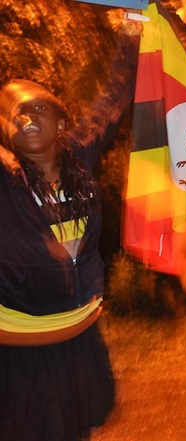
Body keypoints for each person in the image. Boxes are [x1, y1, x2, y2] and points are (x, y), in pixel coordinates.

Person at [0, 20, 139, 441]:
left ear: (61, 123)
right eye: (12, 111)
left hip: (80, 334)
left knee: (74, 430)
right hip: (20, 346)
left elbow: (114, 97)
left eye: (37, 107)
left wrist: (132, 30)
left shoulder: (78, 153)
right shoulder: (5, 178)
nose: (24, 115)